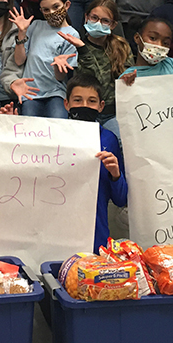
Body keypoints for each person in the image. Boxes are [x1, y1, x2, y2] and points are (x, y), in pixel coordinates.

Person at [47, 0, 131, 138]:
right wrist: (82, 50)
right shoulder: (75, 45)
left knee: (119, 142)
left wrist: (129, 77)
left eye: (105, 21)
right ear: (86, 17)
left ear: (113, 24)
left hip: (113, 113)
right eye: (94, 18)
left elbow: (107, 85)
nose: (98, 23)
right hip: (84, 113)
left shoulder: (121, 46)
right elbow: (90, 83)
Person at [63, 74, 128, 252]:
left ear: (101, 106)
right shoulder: (53, 136)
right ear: (66, 104)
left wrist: (115, 174)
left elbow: (121, 199)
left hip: (95, 235)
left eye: (91, 101)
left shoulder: (109, 139)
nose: (84, 106)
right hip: (56, 230)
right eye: (77, 100)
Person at [6, 0, 80, 118]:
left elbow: (60, 78)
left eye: (56, 7)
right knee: (29, 129)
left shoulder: (72, 34)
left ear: (67, 5)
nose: (51, 12)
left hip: (56, 93)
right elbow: (19, 60)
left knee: (58, 125)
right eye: (46, 9)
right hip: (30, 92)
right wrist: (22, 33)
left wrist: (59, 65)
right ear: (41, 10)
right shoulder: (35, 26)